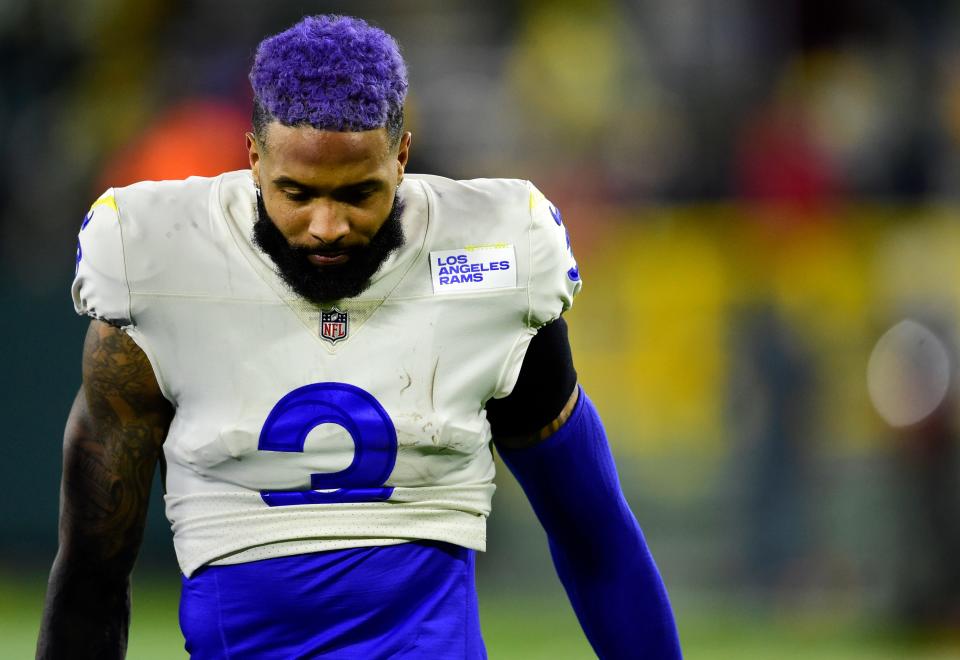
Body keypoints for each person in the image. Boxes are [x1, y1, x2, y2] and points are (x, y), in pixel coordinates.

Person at [37, 14, 681, 659]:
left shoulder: (493, 265)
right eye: (296, 192)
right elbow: (93, 568)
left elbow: (596, 538)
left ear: (402, 157)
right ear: (253, 157)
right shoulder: (161, 262)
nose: (327, 226)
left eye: (358, 193)